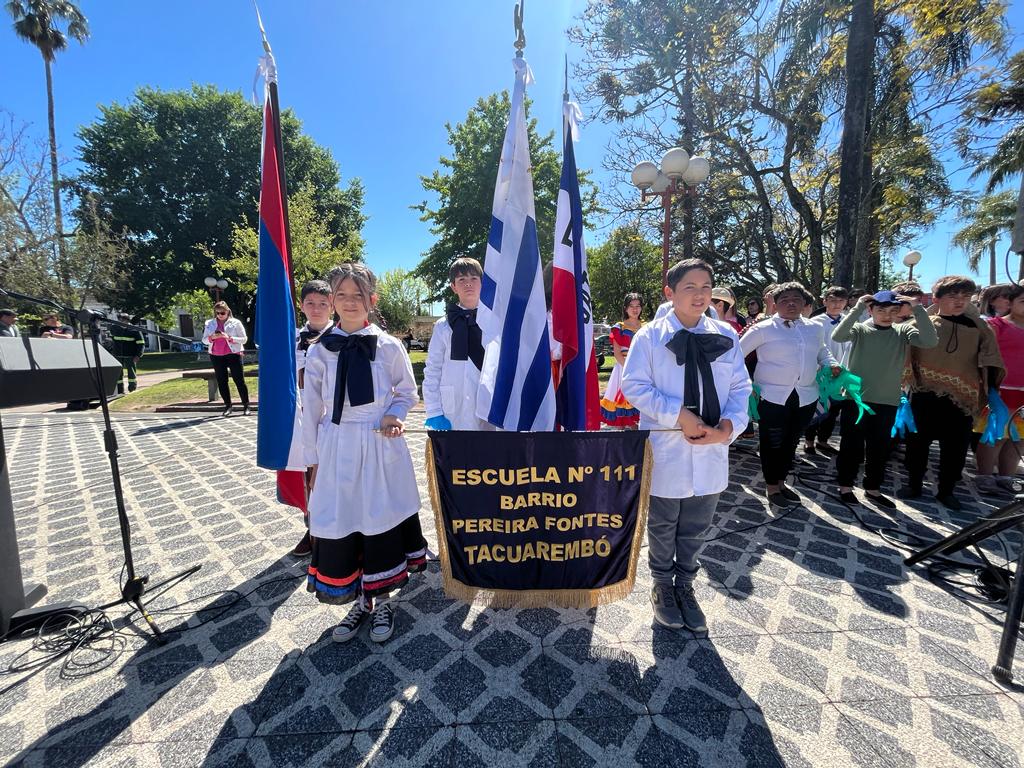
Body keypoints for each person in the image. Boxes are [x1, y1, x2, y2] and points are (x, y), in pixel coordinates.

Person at [621, 258, 751, 633]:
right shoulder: (650, 335)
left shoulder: (726, 335)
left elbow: (741, 388)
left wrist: (728, 427)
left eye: (705, 287)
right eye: (689, 287)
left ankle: (686, 584)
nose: (699, 295)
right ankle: (662, 583)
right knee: (663, 523)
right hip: (667, 447)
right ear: (670, 293)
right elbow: (635, 387)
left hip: (712, 448)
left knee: (696, 524)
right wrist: (678, 415)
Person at [302, 262, 426, 643]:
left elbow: (407, 392)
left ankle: (382, 599)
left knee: (378, 518)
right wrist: (312, 460)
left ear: (371, 300)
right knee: (345, 518)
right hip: (337, 444)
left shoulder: (389, 346)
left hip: (377, 443)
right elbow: (311, 408)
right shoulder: (321, 349)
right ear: (332, 300)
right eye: (342, 295)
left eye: (358, 295)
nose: (350, 302)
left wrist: (394, 414)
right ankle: (360, 600)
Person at [901, 276, 1005, 509]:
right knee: (917, 443)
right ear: (937, 299)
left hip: (963, 396)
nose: (960, 301)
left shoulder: (980, 328)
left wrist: (991, 390)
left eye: (965, 297)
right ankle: (914, 484)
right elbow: (907, 356)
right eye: (952, 296)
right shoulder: (922, 324)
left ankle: (946, 490)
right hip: (923, 392)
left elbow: (990, 360)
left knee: (956, 447)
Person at [832, 290, 937, 506]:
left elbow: (929, 341)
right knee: (851, 446)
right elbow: (838, 336)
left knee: (879, 448)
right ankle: (845, 485)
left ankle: (873, 488)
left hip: (887, 400)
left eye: (892, 310)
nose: (887, 315)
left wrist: (918, 308)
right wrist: (857, 308)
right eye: (881, 310)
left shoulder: (902, 331)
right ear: (871, 310)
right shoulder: (860, 329)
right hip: (856, 399)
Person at [740, 282, 839, 507]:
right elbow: (736, 354)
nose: (791, 303)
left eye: (796, 298)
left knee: (791, 441)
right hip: (771, 396)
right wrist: (744, 384)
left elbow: (822, 351)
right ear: (774, 304)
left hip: (806, 395)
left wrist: (831, 364)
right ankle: (771, 486)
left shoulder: (814, 328)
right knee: (771, 441)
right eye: (784, 299)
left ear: (805, 303)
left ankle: (782, 482)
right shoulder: (763, 328)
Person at [289, 280, 335, 558]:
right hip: (302, 415)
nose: (316, 309)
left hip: (332, 417)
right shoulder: (292, 338)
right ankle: (313, 529)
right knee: (309, 474)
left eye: (322, 304)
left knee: (333, 473)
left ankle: (338, 530)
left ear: (332, 306)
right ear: (301, 305)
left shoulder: (343, 336)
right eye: (310, 303)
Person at [423, 257, 492, 431]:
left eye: (474, 278)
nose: (468, 284)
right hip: (453, 413)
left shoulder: (496, 322)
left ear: (482, 284)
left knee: (489, 457)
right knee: (458, 458)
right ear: (454, 287)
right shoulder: (443, 326)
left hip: (489, 409)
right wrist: (434, 411)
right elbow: (433, 369)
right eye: (462, 279)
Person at [976, 284, 1024, 494]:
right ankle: (985, 475)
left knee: (1018, 438)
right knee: (995, 435)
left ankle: (1006, 476)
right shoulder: (996, 326)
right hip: (1000, 389)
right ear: (1010, 303)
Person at [804, 286, 851, 456]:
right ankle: (808, 441)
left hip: (842, 373)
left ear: (846, 303)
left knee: (834, 410)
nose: (837, 304)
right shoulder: (816, 322)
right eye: (832, 300)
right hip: (820, 373)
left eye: (841, 301)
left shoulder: (849, 322)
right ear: (825, 301)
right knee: (816, 406)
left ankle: (823, 440)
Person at [600, 292, 644, 428]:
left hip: (642, 370)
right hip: (622, 369)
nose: (635, 309)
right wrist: (629, 370)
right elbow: (617, 354)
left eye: (638, 306)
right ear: (625, 308)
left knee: (640, 405)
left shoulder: (647, 327)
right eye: (631, 306)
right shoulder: (618, 328)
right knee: (621, 402)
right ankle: (620, 438)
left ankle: (638, 439)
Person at [201, 301, 250, 417]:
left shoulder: (235, 323)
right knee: (222, 381)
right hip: (216, 355)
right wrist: (212, 337)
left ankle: (246, 405)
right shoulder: (210, 323)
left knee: (239, 380)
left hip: (233, 354)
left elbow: (244, 339)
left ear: (228, 311)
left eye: (222, 313)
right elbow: (204, 340)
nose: (220, 315)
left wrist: (229, 337)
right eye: (217, 313)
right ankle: (228, 406)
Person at [110, 314, 146, 394]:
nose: (120, 322)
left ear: (127, 320)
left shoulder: (135, 330)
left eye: (122, 320)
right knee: (118, 374)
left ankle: (132, 389)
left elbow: (141, 344)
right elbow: (111, 340)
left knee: (131, 373)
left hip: (131, 355)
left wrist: (138, 355)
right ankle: (120, 391)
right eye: (119, 320)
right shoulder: (114, 328)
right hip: (117, 355)